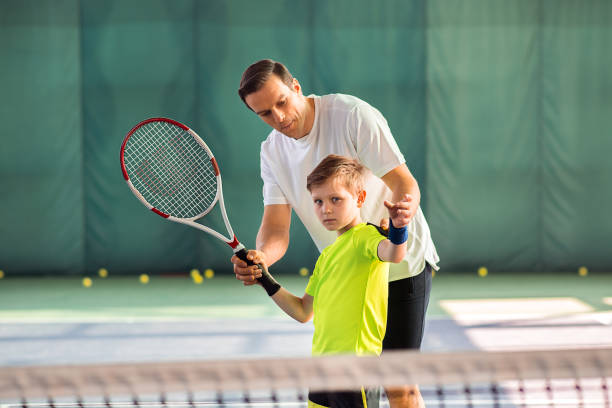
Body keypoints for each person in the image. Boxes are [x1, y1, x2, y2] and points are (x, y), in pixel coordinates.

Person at [232, 59, 439, 408]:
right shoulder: (272, 151)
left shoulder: (351, 115)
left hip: (401, 262)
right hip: (346, 271)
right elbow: (276, 228)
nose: (278, 117)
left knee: (398, 384)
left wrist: (401, 217)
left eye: (282, 102)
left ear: (296, 86)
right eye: (265, 113)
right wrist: (262, 257)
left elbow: (404, 183)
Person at [248, 154, 411, 408]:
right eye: (318, 201)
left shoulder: (366, 237)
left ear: (359, 198)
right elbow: (303, 311)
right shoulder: (326, 256)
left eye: (335, 199)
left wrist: (399, 228)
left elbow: (395, 253)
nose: (326, 209)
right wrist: (265, 280)